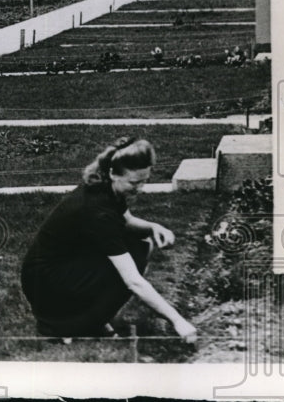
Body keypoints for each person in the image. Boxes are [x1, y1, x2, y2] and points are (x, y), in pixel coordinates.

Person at [20, 137, 198, 342]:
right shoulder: (98, 211)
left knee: (140, 244)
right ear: (114, 173)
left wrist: (153, 227)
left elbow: (127, 221)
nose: (141, 188)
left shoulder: (105, 185)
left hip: (63, 265)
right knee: (135, 256)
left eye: (145, 180)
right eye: (135, 182)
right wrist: (177, 320)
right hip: (45, 281)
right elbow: (134, 282)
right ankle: (62, 325)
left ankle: (91, 320)